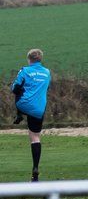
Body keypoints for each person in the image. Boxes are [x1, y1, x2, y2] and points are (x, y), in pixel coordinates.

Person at [12, 48, 51, 182]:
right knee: (35, 137)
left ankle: (19, 115)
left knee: (19, 92)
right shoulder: (47, 72)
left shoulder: (25, 70)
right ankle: (35, 168)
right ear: (40, 59)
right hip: (39, 109)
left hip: (23, 104)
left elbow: (15, 88)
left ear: (29, 59)